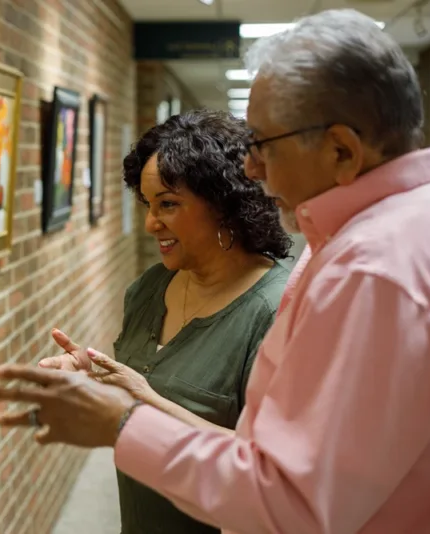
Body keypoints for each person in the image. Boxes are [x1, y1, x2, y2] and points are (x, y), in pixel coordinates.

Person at [0, 8, 430, 534]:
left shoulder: (373, 271)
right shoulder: (376, 237)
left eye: (263, 145)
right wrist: (128, 398)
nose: (250, 168)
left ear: (341, 149)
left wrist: (121, 422)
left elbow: (290, 504)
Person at [37, 109, 294, 534]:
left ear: (224, 203)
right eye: (147, 204)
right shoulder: (149, 289)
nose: (149, 223)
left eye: (168, 204)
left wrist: (145, 401)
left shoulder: (276, 311)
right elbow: (139, 381)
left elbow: (275, 473)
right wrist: (94, 376)